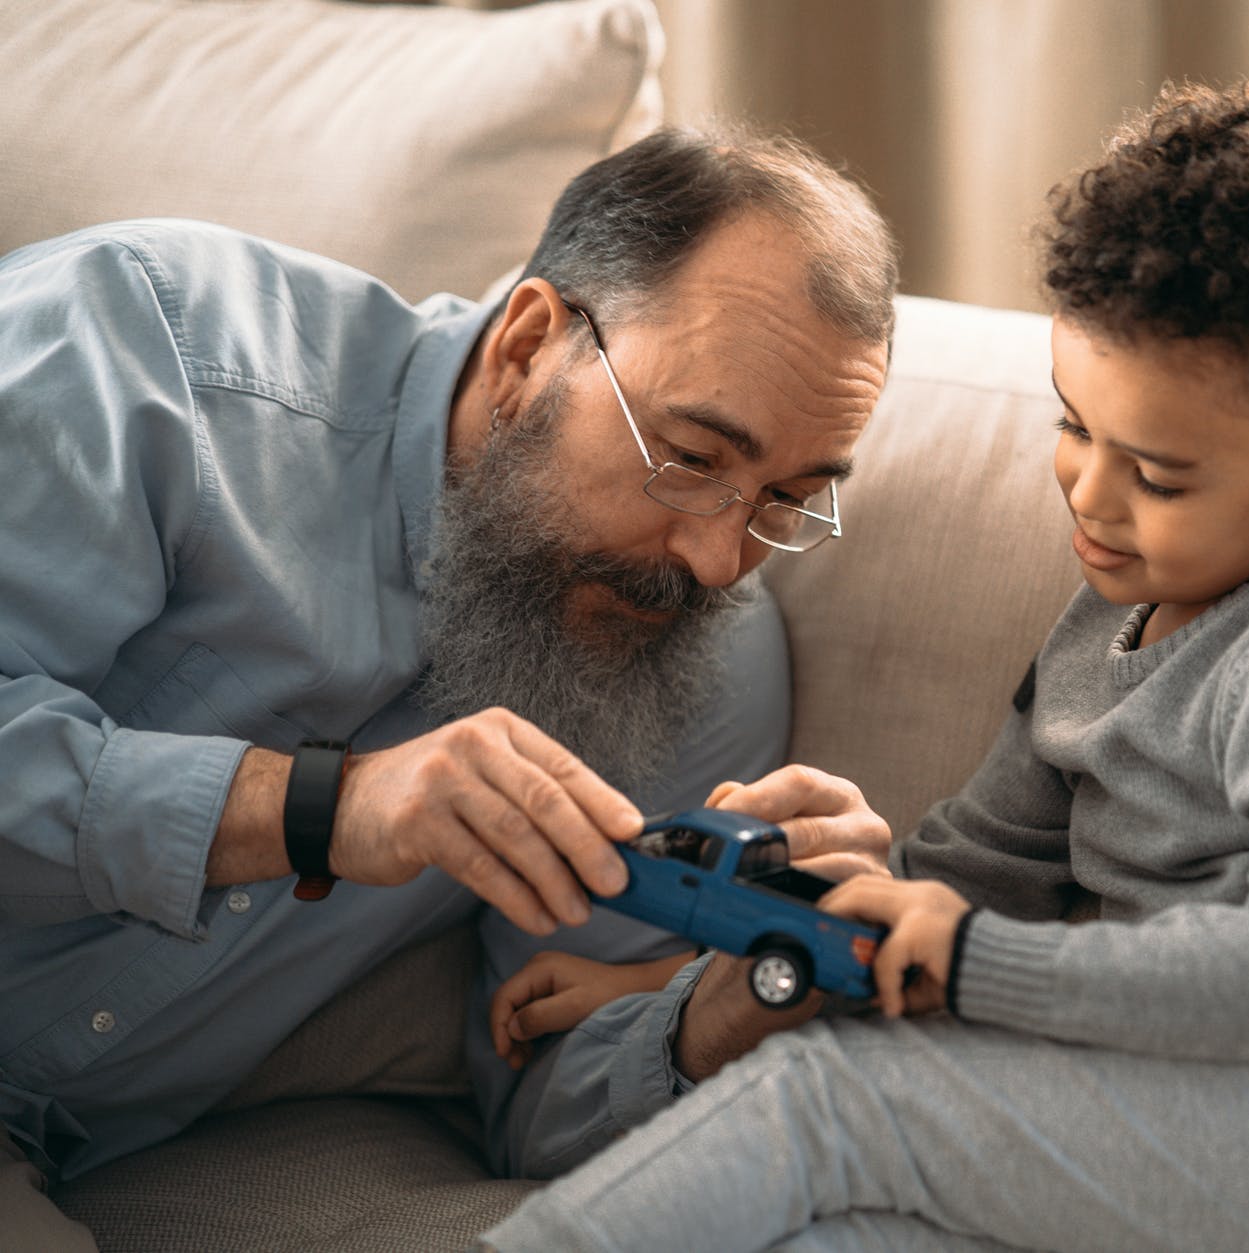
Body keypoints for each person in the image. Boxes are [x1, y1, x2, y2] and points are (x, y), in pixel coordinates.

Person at [477, 80, 1249, 1252]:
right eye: (1073, 425)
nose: (1087, 490)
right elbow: (964, 872)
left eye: (1160, 475)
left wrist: (975, 962)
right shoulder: (1103, 624)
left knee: (830, 1098)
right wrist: (672, 979)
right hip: (1186, 1091)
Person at [0, 123, 898, 1244]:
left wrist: (714, 1015)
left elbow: (539, 1101)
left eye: (787, 498)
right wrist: (315, 806)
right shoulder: (146, 348)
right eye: (692, 458)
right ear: (529, 345)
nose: (718, 561)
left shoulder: (699, 649)